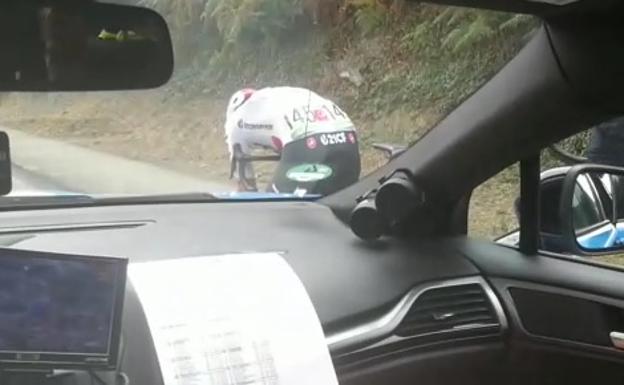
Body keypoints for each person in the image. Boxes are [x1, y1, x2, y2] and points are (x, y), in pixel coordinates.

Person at [224, 86, 361, 195]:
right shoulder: (278, 96)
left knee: (272, 211)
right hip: (347, 137)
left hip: (308, 140)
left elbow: (246, 187)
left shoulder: (235, 121)